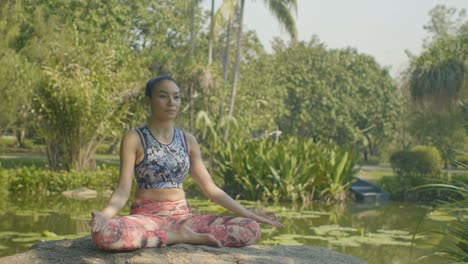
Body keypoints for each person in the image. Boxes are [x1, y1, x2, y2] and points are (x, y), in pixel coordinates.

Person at [89, 75, 283, 251]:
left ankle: (184, 235)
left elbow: (211, 189)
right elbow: (123, 189)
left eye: (176, 97)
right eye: (163, 96)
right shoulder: (134, 138)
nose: (171, 102)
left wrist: (250, 214)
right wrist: (105, 215)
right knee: (105, 234)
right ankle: (174, 237)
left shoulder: (188, 140)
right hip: (147, 219)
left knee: (250, 228)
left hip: (185, 218)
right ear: (149, 101)